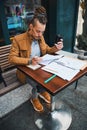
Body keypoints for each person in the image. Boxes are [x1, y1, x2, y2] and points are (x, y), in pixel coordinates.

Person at [9, 6, 63, 112]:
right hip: (25, 71)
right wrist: (29, 61)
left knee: (49, 77)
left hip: (39, 67)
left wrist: (55, 48)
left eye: (42, 32)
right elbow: (11, 58)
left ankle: (42, 91)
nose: (40, 35)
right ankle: (34, 97)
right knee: (37, 81)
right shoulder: (18, 39)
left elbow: (46, 49)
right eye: (38, 31)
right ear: (31, 27)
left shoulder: (40, 37)